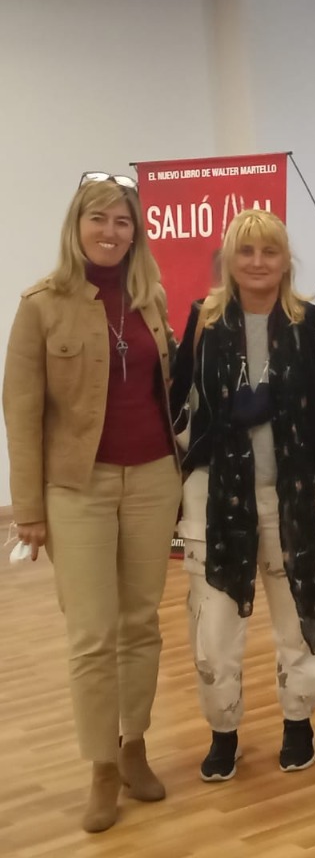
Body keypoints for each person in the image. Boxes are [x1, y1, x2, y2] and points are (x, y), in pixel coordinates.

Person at [3, 172, 182, 832]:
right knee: (91, 634)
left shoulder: (153, 300)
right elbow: (20, 414)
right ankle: (100, 767)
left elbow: (170, 393)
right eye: (98, 219)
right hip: (76, 487)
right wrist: (29, 509)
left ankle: (134, 745)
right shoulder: (42, 305)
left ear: (137, 233)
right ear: (76, 226)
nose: (110, 231)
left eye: (123, 221)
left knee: (141, 624)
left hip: (154, 480)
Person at [169, 209, 315, 782]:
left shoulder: (310, 322)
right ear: (230, 260)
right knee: (214, 630)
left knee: (296, 620)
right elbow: (179, 404)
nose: (258, 263)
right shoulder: (203, 320)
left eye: (270, 252)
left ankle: (298, 724)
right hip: (216, 498)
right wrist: (217, 425)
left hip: (290, 497)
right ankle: (224, 732)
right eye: (246, 252)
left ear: (286, 259)